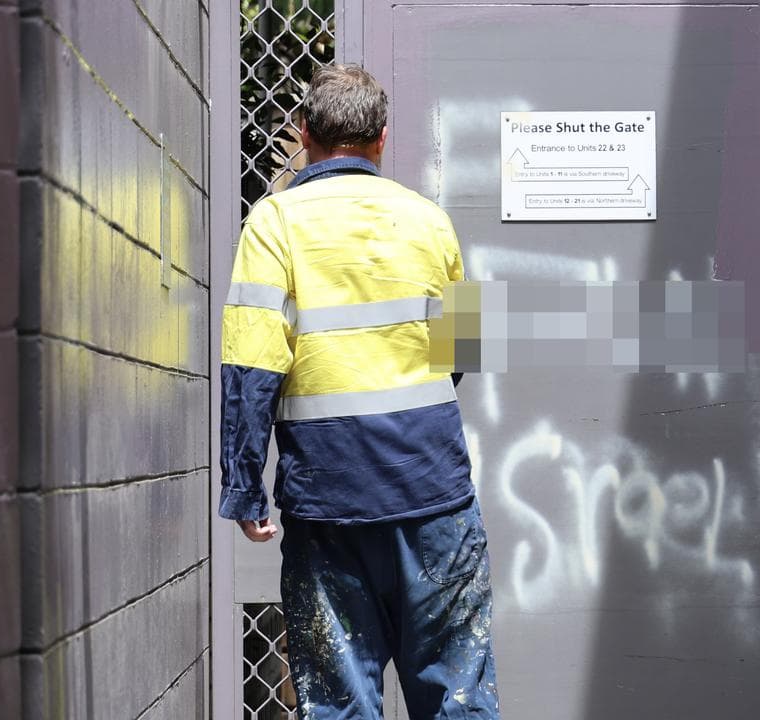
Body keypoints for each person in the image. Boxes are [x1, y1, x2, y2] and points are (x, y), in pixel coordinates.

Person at [217, 64, 499, 720]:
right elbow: (465, 352)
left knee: (340, 705)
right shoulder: (431, 220)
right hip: (435, 499)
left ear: (304, 132)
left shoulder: (272, 224)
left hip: (328, 506)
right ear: (381, 139)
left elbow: (251, 368)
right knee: (459, 699)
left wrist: (243, 486)